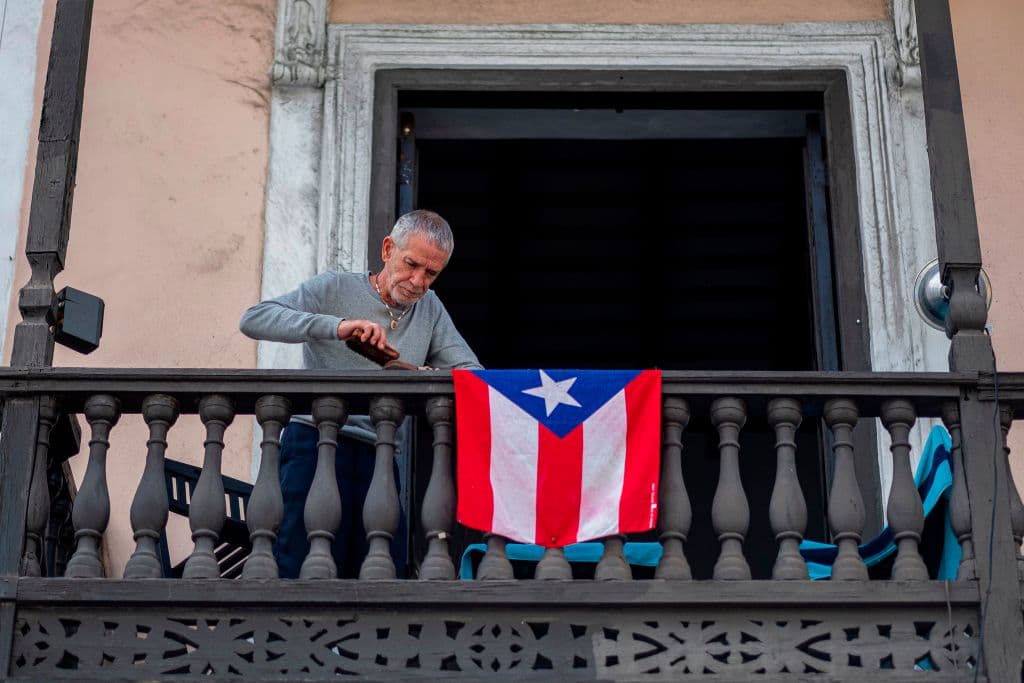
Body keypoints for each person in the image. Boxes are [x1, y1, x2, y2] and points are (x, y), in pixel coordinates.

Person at [239, 209, 481, 578]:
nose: (418, 281)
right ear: (387, 249)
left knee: (377, 570)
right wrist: (336, 327)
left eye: (431, 273)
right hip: (314, 444)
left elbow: (473, 373)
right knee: (300, 565)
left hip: (380, 452)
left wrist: (416, 374)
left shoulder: (430, 309)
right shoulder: (334, 288)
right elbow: (254, 318)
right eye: (411, 264)